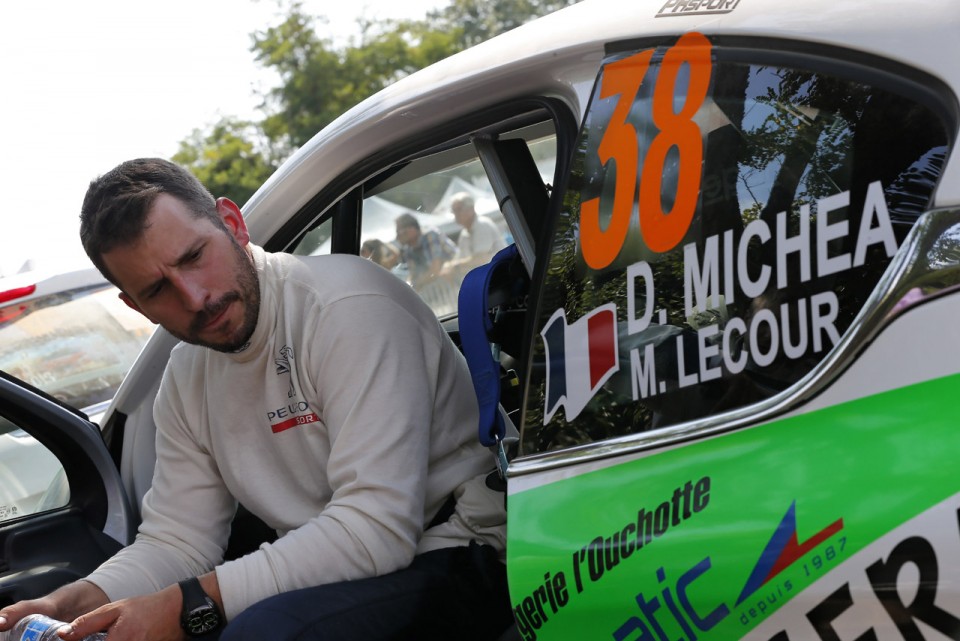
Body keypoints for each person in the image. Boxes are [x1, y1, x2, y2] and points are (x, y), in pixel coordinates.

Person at [0, 158, 512, 641]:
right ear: (134, 306)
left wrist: (191, 605)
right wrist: (76, 603)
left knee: (263, 632)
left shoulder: (346, 309)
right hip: (347, 567)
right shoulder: (185, 377)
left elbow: (375, 529)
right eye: (158, 289)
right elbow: (178, 540)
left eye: (195, 257)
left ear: (232, 223)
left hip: (463, 546)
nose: (196, 297)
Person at [394, 212, 458, 290]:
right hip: (446, 288)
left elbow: (435, 271)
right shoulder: (409, 251)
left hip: (460, 280)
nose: (397, 237)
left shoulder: (430, 236)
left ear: (412, 229)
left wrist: (414, 285)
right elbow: (413, 275)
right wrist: (408, 287)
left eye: (398, 232)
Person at [450, 193, 506, 270]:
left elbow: (482, 258)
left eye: (459, 209)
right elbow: (460, 258)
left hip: (501, 272)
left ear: (471, 209)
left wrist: (455, 266)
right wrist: (450, 266)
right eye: (454, 211)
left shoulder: (482, 225)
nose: (456, 214)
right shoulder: (464, 233)